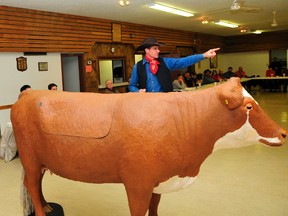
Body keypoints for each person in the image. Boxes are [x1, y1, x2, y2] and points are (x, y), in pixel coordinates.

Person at [128, 37, 220, 92]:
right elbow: (131, 85)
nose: (158, 50)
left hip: (166, 102)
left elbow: (184, 61)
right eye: (155, 48)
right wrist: (137, 91)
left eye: (158, 48)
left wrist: (203, 55)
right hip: (147, 103)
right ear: (147, 50)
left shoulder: (165, 62)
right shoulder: (138, 66)